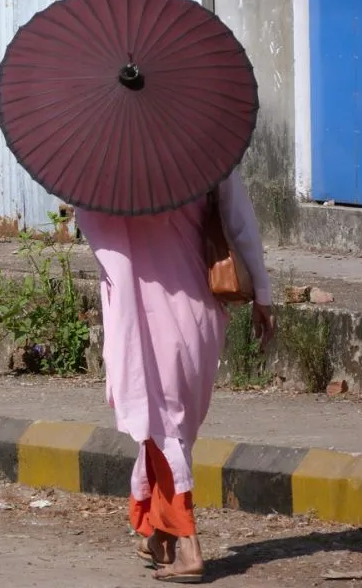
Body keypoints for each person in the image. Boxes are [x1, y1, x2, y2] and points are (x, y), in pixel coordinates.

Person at [75, 168, 274, 584]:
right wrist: (264, 295)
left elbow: (97, 231)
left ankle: (188, 545)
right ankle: (157, 533)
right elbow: (239, 221)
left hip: (145, 312)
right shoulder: (206, 149)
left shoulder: (111, 165)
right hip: (200, 311)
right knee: (169, 423)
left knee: (164, 423)